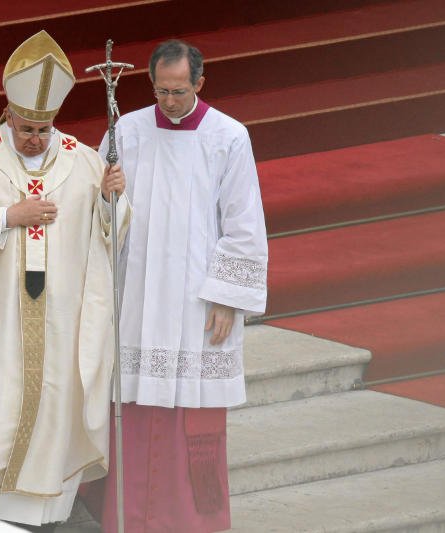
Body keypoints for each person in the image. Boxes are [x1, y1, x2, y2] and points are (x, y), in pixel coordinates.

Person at [0, 30, 130, 532]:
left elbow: (110, 229)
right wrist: (8, 216)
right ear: (8, 113)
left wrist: (108, 198)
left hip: (60, 316)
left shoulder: (82, 158)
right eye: (25, 127)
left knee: (54, 398)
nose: (34, 137)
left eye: (42, 128)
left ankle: (41, 512)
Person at [81, 39, 268, 532]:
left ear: (200, 84)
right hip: (138, 297)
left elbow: (244, 225)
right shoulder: (127, 130)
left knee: (191, 418)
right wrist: (105, 197)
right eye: (161, 90)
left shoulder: (228, 137)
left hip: (194, 304)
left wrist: (228, 298)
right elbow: (100, 218)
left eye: (179, 91)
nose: (168, 101)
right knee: (137, 414)